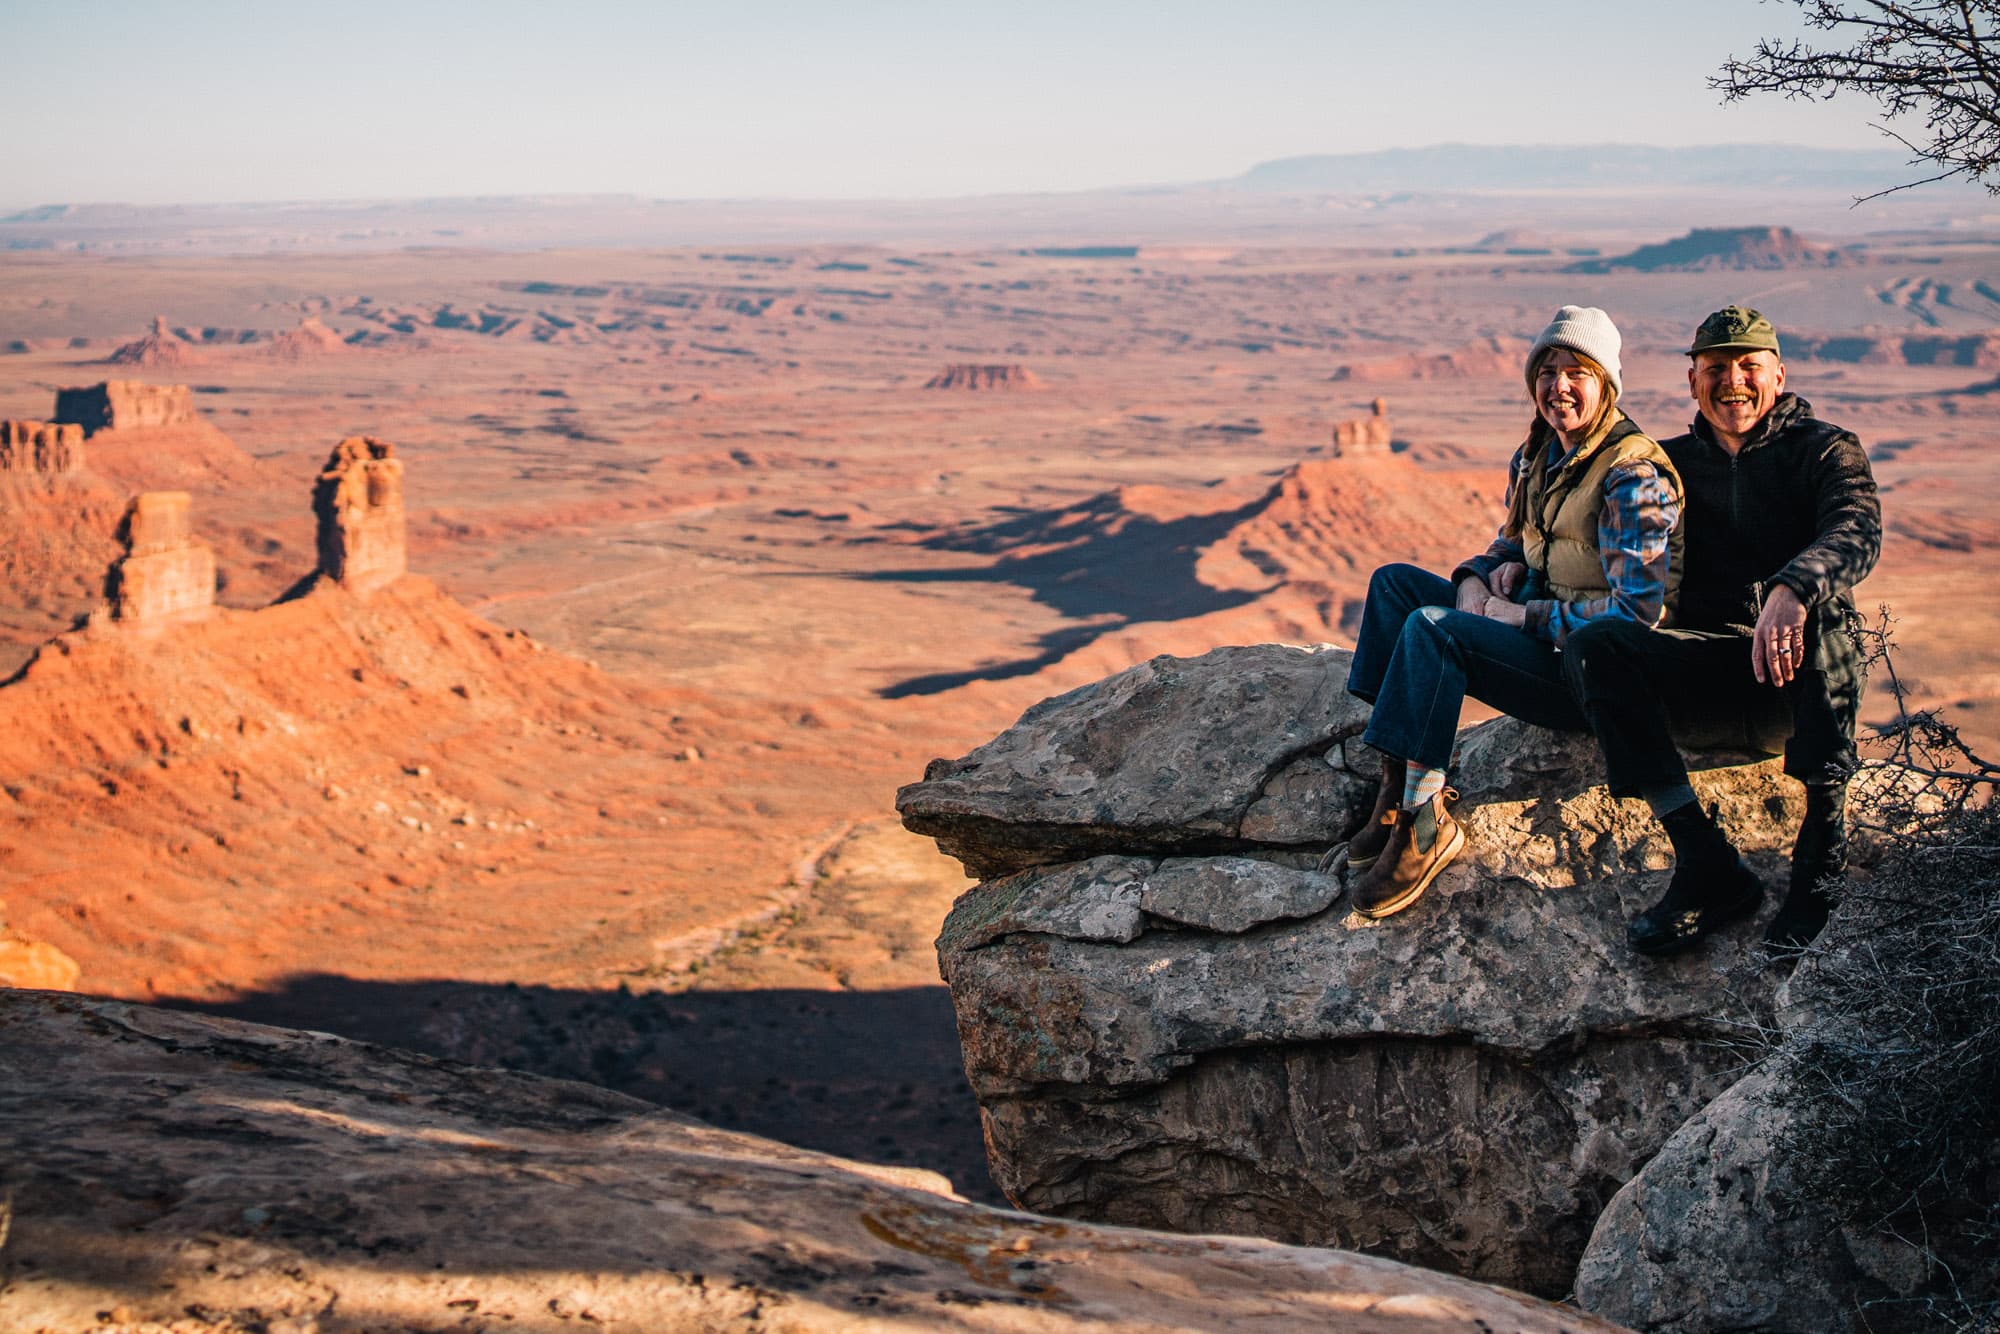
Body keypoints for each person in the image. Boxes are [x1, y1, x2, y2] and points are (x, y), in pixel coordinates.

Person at [1341, 306, 1683, 919]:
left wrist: (1523, 618)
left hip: (1588, 674)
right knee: (1394, 587)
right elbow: (1514, 539)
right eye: (1547, 371)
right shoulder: (1536, 455)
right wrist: (1476, 577)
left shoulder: (1634, 475)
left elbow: (1637, 616)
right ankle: (1393, 789)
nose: (1559, 386)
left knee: (1433, 631)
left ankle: (1425, 821)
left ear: (1607, 383)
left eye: (1577, 371)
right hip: (1535, 635)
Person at [1562, 306, 1881, 955]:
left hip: (1795, 687)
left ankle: (1822, 846)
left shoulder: (1825, 448)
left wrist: (1794, 587)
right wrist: (1495, 568)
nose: (1732, 382)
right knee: (1596, 643)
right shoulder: (1665, 465)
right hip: (1706, 671)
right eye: (1716, 369)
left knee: (1828, 612)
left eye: (1748, 367)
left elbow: (1858, 529)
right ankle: (1704, 859)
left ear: (1779, 374)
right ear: (1692, 381)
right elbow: (1574, 532)